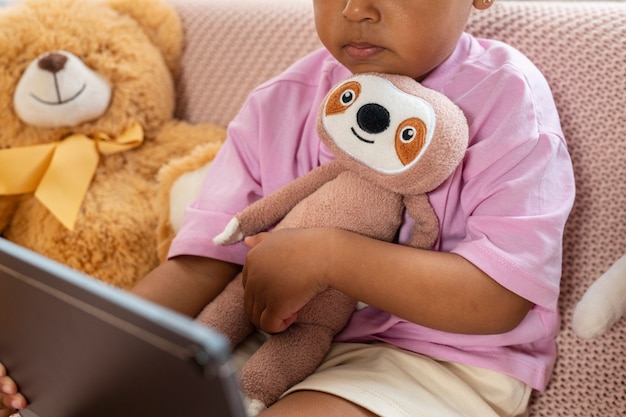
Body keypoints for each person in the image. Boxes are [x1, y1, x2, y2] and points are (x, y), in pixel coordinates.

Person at [1, 0, 576, 416]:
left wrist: (331, 256)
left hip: (433, 359)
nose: (356, 8)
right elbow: (205, 260)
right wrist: (78, 363)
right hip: (280, 338)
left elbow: (496, 300)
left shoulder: (507, 100)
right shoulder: (281, 100)